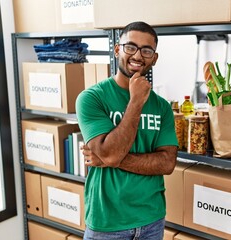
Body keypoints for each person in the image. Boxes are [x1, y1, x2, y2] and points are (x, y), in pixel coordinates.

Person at [75, 21, 178, 240]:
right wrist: (136, 102)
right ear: (117, 50)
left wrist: (109, 159)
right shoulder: (91, 98)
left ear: (154, 58)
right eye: (130, 47)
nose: (138, 56)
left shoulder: (162, 107)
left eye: (146, 50)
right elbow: (111, 153)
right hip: (107, 223)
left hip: (152, 220)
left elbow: (167, 163)